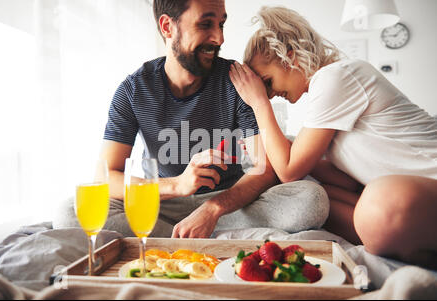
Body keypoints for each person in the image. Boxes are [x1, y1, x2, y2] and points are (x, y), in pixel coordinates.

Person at [53, 0, 330, 239]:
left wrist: (213, 209)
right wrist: (176, 185)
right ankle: (187, 235)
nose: (219, 38)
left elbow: (264, 169)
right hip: (166, 203)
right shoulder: (133, 91)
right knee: (70, 212)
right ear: (167, 27)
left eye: (221, 24)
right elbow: (105, 175)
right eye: (205, 24)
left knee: (310, 200)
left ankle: (186, 233)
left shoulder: (239, 82)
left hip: (230, 205)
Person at [229, 6, 437, 268]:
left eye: (267, 82)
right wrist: (282, 146)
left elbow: (289, 170)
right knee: (311, 196)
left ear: (289, 57)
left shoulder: (336, 77)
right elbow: (348, 183)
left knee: (379, 200)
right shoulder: (326, 94)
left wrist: (258, 103)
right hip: (408, 196)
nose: (270, 94)